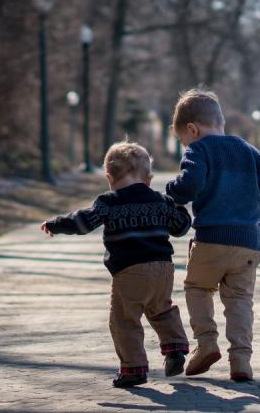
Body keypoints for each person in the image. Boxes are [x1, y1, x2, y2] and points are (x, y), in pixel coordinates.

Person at [41, 141, 192, 388]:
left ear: (109, 177)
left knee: (124, 320)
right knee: (162, 309)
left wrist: (56, 224)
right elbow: (181, 227)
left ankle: (133, 368)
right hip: (163, 269)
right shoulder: (160, 200)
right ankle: (175, 349)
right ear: (148, 178)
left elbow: (83, 222)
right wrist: (180, 207)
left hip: (129, 271)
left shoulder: (108, 202)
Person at [166, 89, 260, 382]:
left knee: (197, 288)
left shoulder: (198, 150)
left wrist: (171, 190)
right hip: (247, 243)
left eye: (183, 141)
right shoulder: (251, 152)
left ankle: (206, 343)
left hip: (210, 239)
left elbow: (189, 186)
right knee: (240, 300)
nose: (185, 146)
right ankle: (241, 360)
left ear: (192, 129)